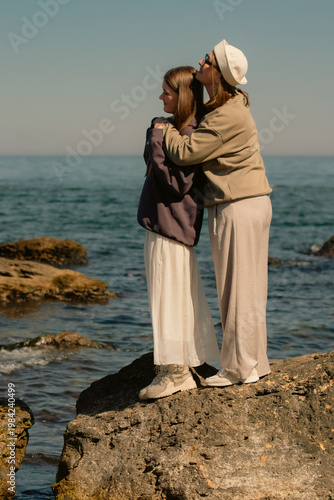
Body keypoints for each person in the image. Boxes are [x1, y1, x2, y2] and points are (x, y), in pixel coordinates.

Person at [154, 40, 272, 387]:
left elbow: (187, 152)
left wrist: (166, 129)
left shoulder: (226, 114)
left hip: (238, 205)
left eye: (207, 59)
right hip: (244, 202)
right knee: (248, 289)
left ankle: (238, 369)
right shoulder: (226, 106)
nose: (201, 61)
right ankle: (253, 363)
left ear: (217, 72)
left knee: (237, 290)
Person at [137, 66, 220, 400]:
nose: (160, 97)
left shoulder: (187, 132)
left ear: (183, 95)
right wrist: (157, 135)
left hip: (171, 227)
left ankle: (176, 372)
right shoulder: (176, 128)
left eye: (166, 92)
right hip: (168, 226)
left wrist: (156, 137)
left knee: (168, 294)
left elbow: (176, 183)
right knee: (174, 293)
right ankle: (184, 362)